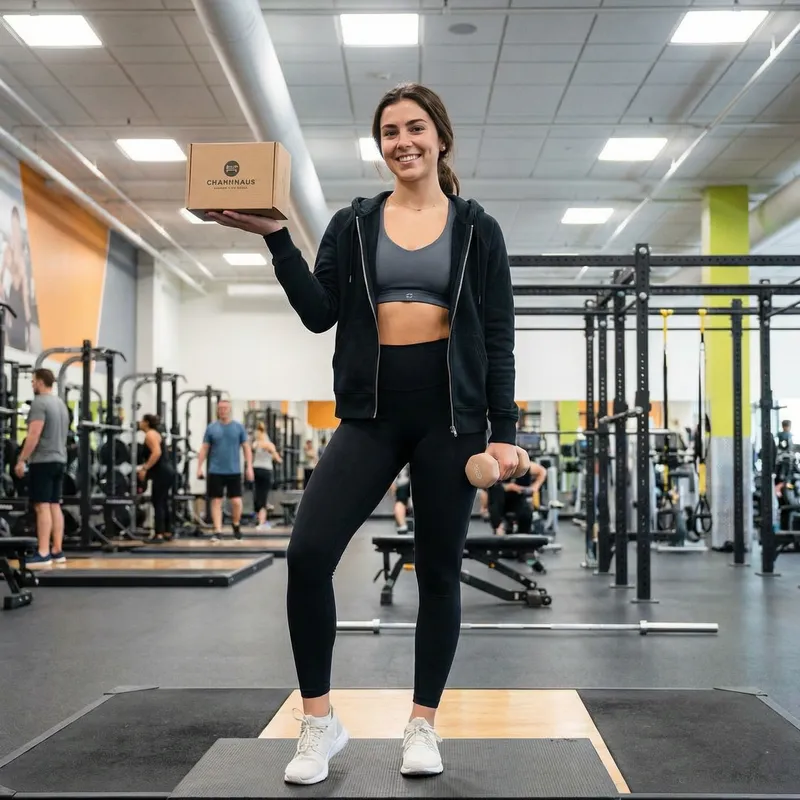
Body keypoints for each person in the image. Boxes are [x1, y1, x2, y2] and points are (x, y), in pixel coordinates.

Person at [207, 82, 518, 784]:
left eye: (414, 128)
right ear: (381, 146)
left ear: (440, 136)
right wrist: (279, 239)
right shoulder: (353, 224)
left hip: (450, 417)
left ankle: (422, 725)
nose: (401, 142)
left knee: (439, 571)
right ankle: (320, 722)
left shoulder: (478, 227)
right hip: (370, 413)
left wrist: (503, 433)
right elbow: (321, 313)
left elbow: (497, 335)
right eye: (388, 133)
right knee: (308, 554)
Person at [14, 368, 70, 567]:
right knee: (55, 504)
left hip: (43, 461)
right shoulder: (60, 404)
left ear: (39, 382)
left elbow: (33, 434)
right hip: (60, 460)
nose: (32, 384)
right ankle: (57, 550)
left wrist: (22, 459)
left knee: (41, 506)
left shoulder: (39, 403)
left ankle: (43, 552)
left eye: (33, 381)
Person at [196, 399, 253, 541]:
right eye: (220, 408)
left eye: (225, 408)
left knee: (236, 502)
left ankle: (235, 523)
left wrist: (249, 467)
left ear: (230, 409)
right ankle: (218, 530)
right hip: (215, 470)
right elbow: (204, 448)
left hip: (234, 470)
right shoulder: (211, 428)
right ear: (217, 410)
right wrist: (199, 467)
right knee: (216, 501)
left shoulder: (238, 427)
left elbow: (246, 448)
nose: (222, 410)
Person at [137, 414, 174, 542]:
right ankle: (167, 532)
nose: (139, 423)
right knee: (162, 501)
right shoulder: (155, 433)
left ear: (146, 423)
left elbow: (156, 452)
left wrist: (145, 468)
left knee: (157, 501)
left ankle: (159, 534)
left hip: (162, 472)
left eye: (141, 421)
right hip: (166, 471)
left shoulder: (150, 434)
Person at [487, 460, 547, 536]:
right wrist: (510, 487)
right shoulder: (498, 467)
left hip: (517, 498)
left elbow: (543, 471)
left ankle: (524, 536)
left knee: (526, 513)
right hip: (501, 498)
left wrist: (536, 486)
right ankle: (498, 528)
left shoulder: (526, 467)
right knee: (496, 494)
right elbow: (490, 486)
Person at [252, 422, 282, 530]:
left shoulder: (255, 444)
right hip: (266, 470)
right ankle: (262, 522)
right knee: (263, 496)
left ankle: (260, 519)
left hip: (256, 469)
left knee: (258, 495)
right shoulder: (269, 444)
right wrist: (275, 457)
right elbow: (278, 459)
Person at [391, 463, 412, 534]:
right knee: (401, 502)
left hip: (403, 480)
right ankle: (402, 525)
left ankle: (402, 526)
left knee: (400, 502)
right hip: (405, 479)